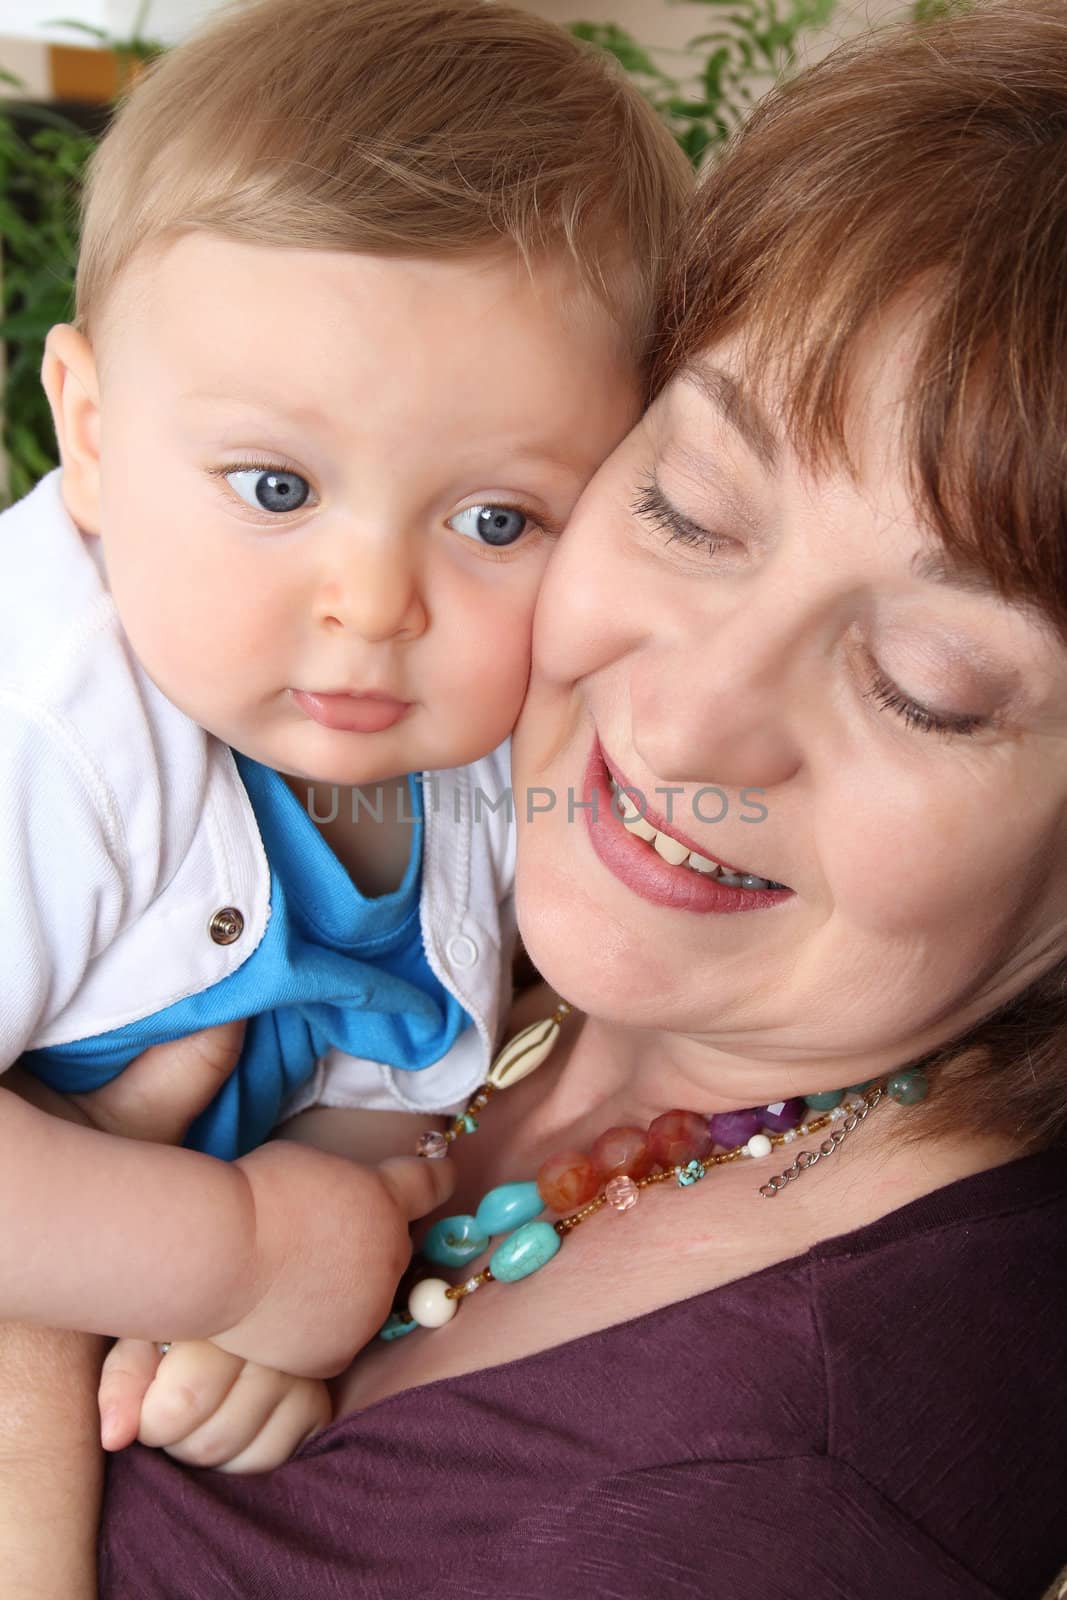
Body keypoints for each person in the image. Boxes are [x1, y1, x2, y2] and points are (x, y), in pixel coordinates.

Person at [12, 0, 1067, 1595]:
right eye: (694, 510)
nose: (691, 721)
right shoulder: (290, 774)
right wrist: (206, 1257)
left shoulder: (784, 1492)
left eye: (931, 682)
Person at [0, 0, 690, 1389]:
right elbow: (255, 1246)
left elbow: (382, 1091)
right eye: (276, 488)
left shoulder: (504, 771)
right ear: (91, 432)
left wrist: (287, 1278)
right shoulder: (51, 725)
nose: (373, 605)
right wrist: (229, 1256)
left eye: (497, 520)